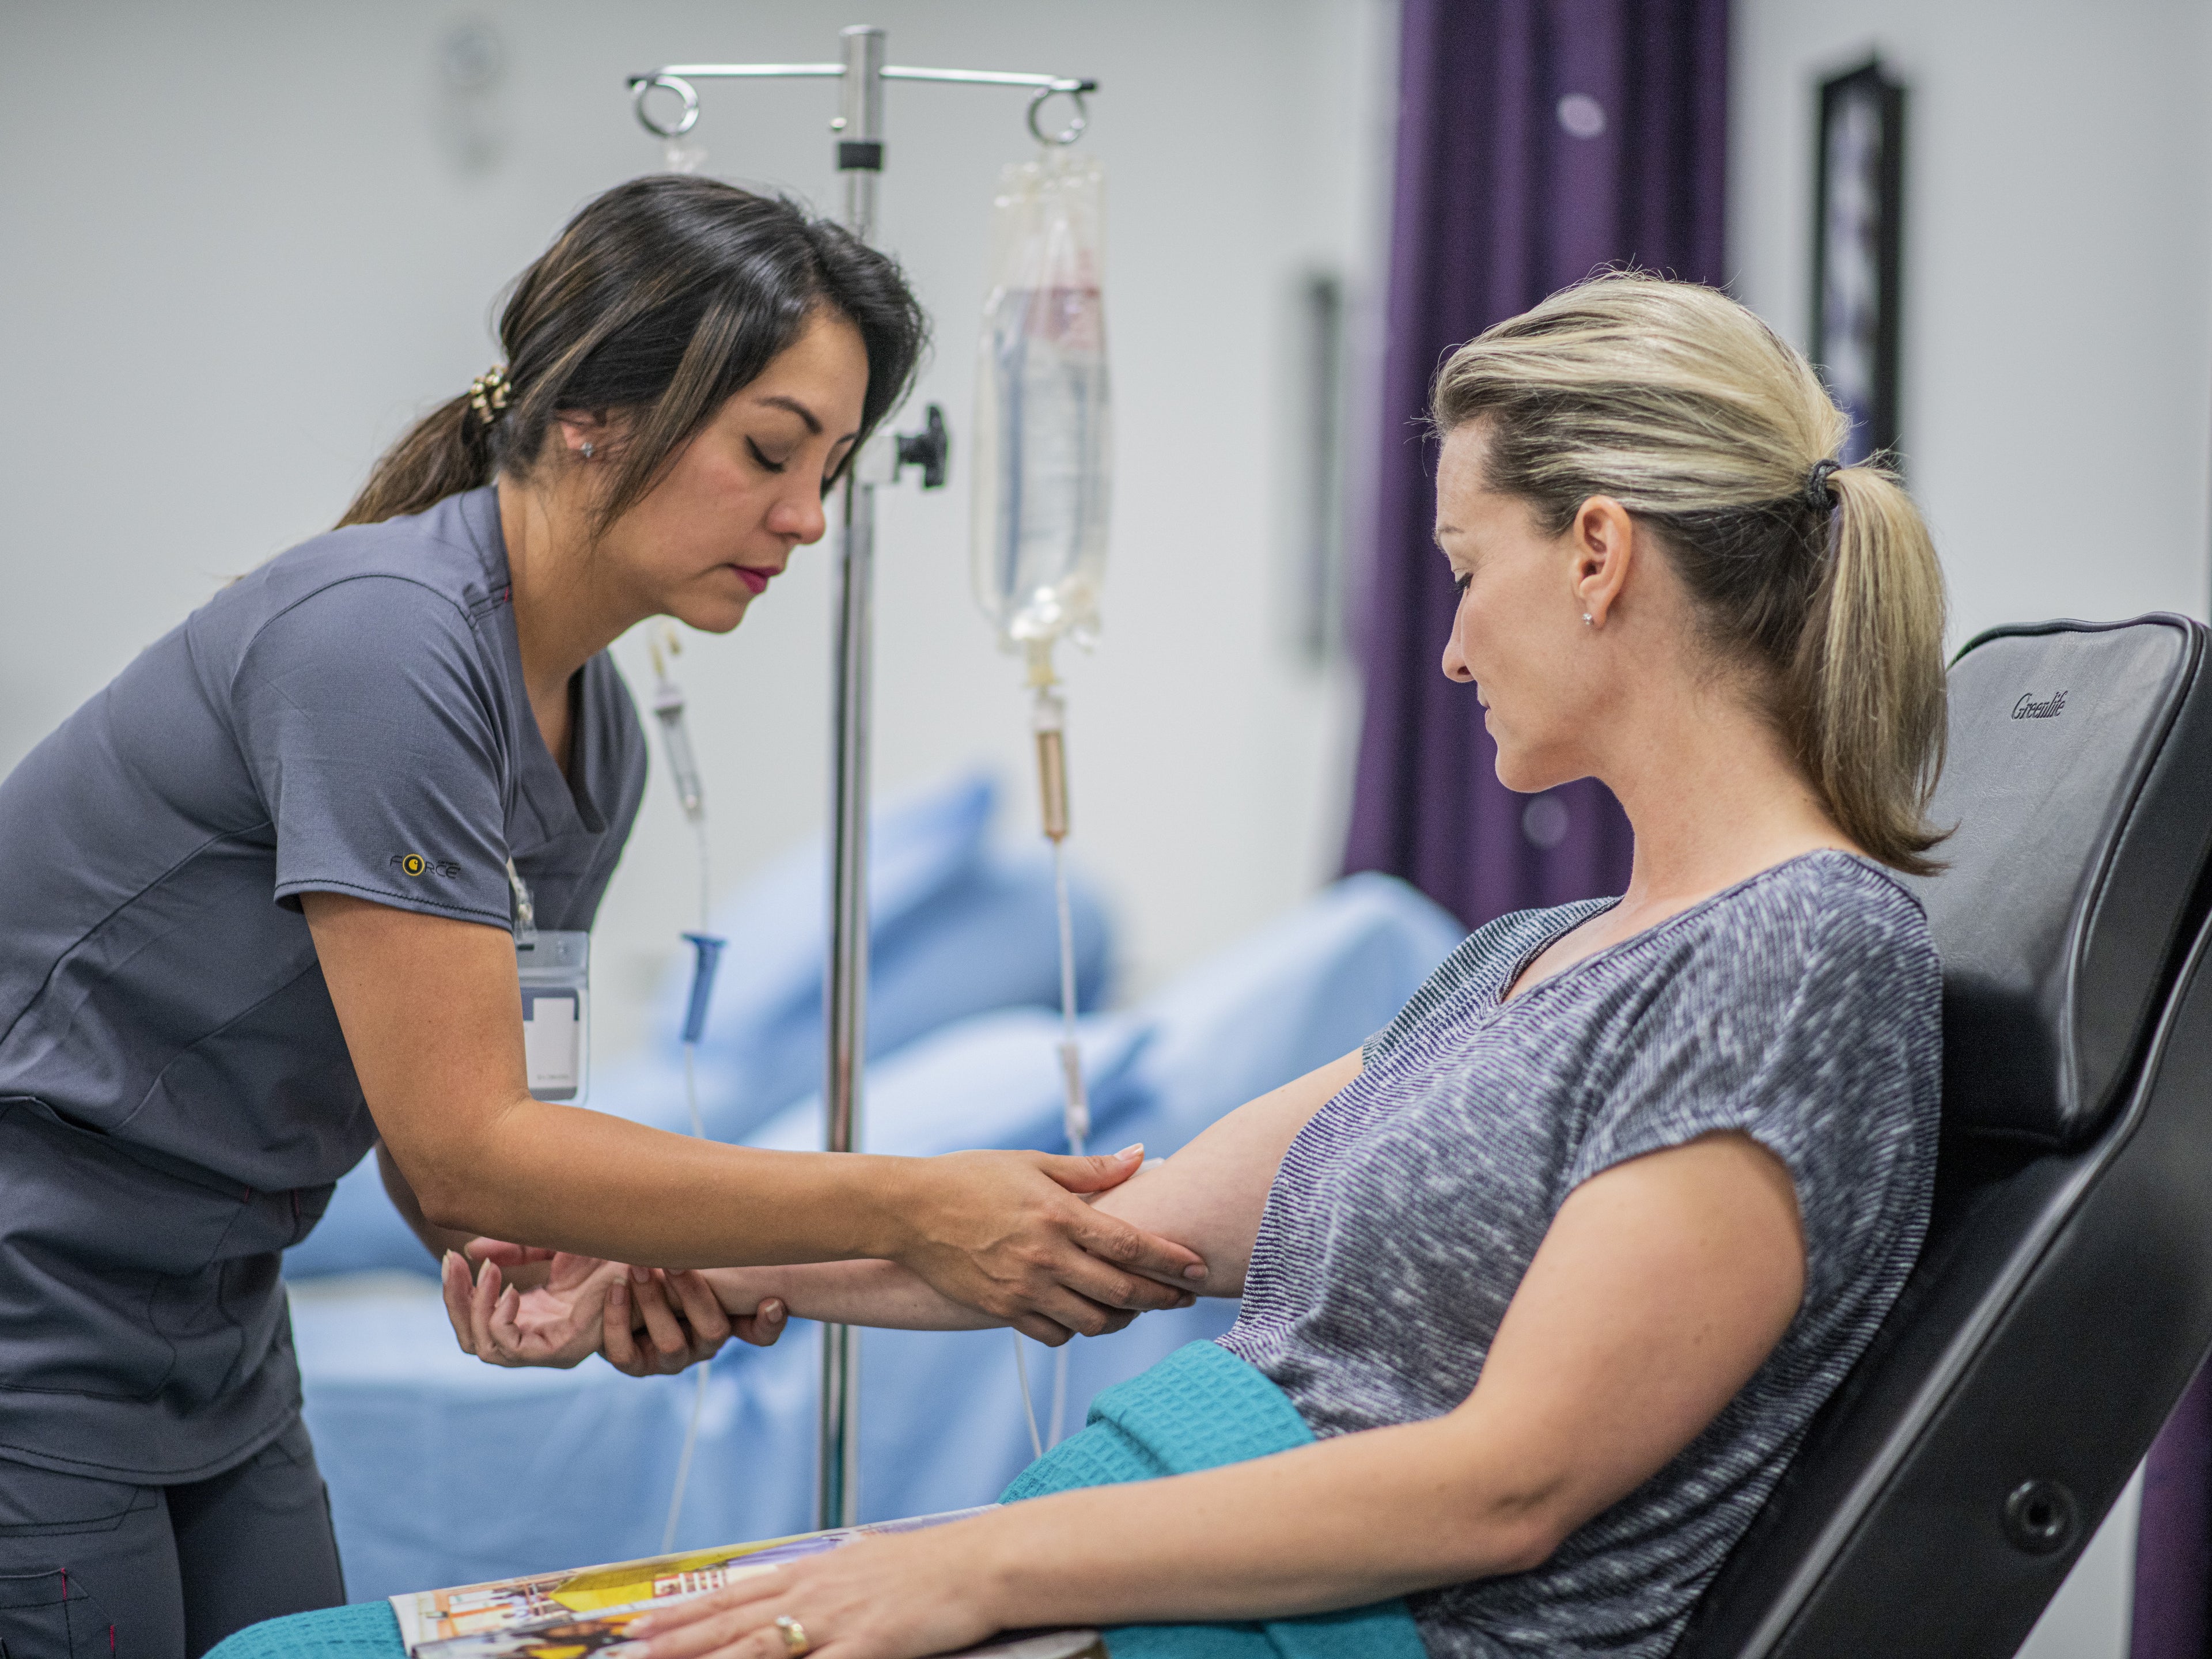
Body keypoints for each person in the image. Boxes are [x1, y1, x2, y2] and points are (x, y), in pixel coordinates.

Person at [450, 273, 1950, 1659]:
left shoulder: (1801, 952)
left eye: (1464, 566)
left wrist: (957, 1571)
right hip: (1152, 1582)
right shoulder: (1535, 955)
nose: (1451, 649)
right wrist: (685, 1256)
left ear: (1600, 554)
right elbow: (1117, 1233)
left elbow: (1510, 1489)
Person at [0, 176, 1205, 1659]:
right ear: (594, 416)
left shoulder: (593, 735)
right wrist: (912, 1201)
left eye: (831, 467)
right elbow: (466, 1145)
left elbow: (473, 1183)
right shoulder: (377, 641)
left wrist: (606, 1263)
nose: (808, 521)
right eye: (771, 452)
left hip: (219, 1335)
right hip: (34, 1311)